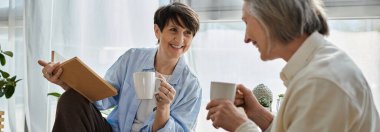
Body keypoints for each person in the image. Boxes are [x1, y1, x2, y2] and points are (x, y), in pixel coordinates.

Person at [206, 0, 380, 131]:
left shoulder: (320, 82)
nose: (246, 38)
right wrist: (259, 115)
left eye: (247, 22)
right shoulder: (320, 67)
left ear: (270, 16)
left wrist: (240, 125)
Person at [38, 2, 202, 132]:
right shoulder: (132, 58)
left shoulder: (191, 86)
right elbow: (101, 98)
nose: (180, 39)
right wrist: (63, 81)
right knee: (71, 100)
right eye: (173, 30)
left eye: (187, 33)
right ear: (157, 31)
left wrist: (163, 108)